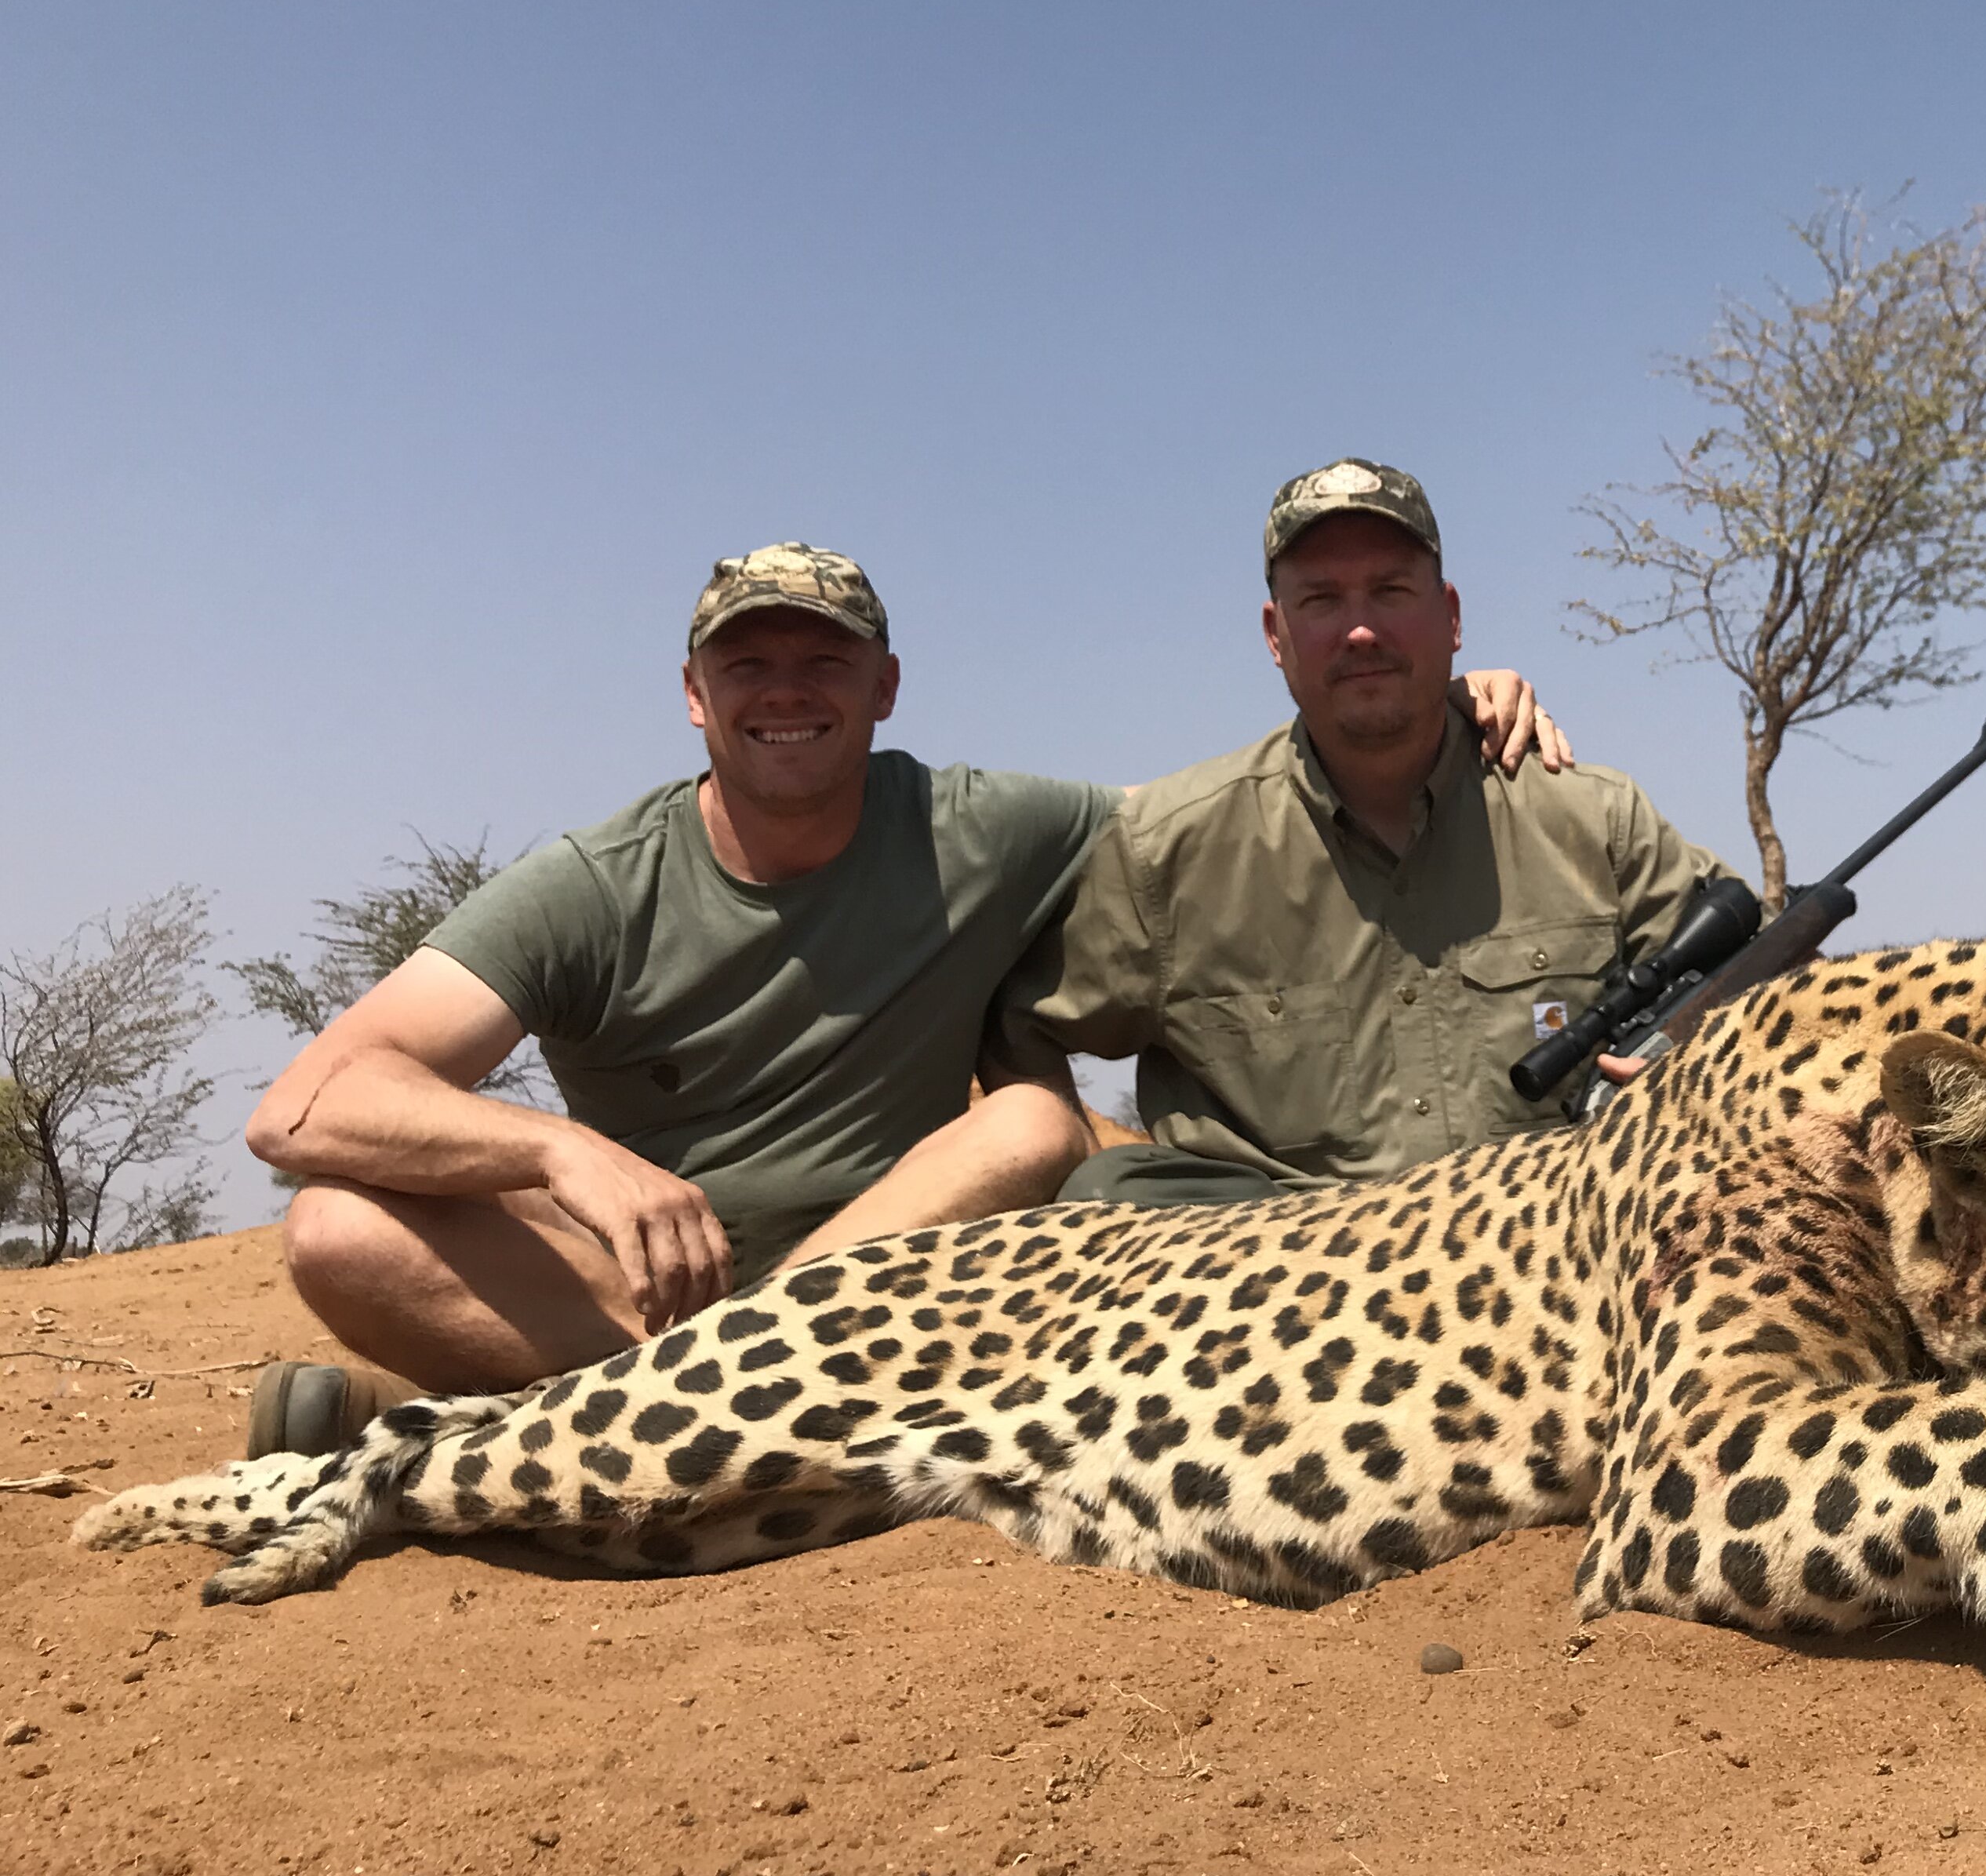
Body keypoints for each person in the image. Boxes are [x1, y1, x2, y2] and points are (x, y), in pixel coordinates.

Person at [242, 540, 1566, 1452]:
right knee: (337, 1231)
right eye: (747, 663)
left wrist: (1444, 706)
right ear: (694, 693)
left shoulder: (981, 824)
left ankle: (545, 1422)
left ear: (883, 685)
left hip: (910, 1287)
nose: (785, 690)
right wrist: (561, 1149)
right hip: (638, 1293)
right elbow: (303, 1106)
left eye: (822, 660)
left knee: (1034, 1124)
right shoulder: (590, 882)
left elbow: (1234, 816)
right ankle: (694, 1406)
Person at [994, 457, 1735, 1205]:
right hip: (1271, 1288)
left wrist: (1693, 1080)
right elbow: (1022, 1034)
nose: (1359, 629)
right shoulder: (1166, 849)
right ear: (1273, 633)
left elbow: (1757, 988)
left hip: (1544, 1255)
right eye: (1320, 599)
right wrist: (1091, 1161)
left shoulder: (1594, 819)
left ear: (1450, 616)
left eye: (1390, 590)